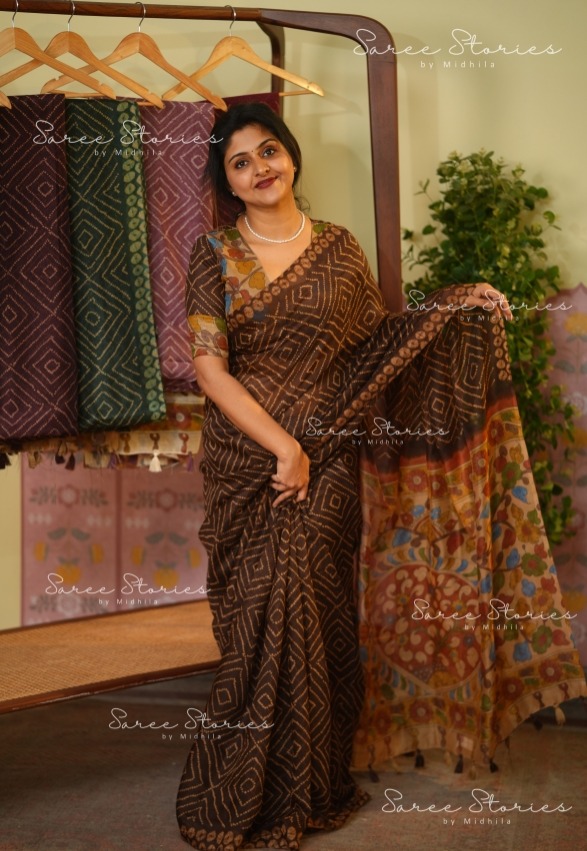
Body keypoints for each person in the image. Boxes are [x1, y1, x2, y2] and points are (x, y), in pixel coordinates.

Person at [176, 103, 584, 850]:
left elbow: (375, 347)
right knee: (254, 624)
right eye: (241, 162)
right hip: (250, 464)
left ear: (290, 156)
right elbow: (209, 369)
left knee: (324, 616)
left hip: (328, 460)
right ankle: (239, 792)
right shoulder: (214, 254)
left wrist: (453, 307)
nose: (260, 168)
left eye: (269, 151)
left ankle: (313, 785)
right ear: (227, 183)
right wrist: (282, 448)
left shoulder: (337, 248)